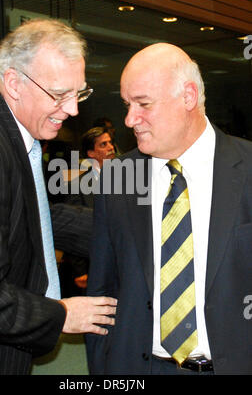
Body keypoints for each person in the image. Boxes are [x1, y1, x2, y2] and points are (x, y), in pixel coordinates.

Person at [0, 18, 117, 375]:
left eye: (79, 93)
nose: (73, 109)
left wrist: (121, 229)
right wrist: (62, 316)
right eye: (59, 95)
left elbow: (34, 215)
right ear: (14, 83)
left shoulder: (11, 124)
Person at [86, 42, 252, 375]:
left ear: (188, 96)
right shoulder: (119, 177)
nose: (130, 118)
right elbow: (102, 292)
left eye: (143, 103)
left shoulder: (247, 167)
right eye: (127, 104)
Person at [60, 127, 115, 295]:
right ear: (91, 153)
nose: (111, 147)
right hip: (92, 267)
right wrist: (80, 271)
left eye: (111, 142)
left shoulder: (127, 180)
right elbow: (72, 231)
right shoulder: (78, 186)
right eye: (103, 144)